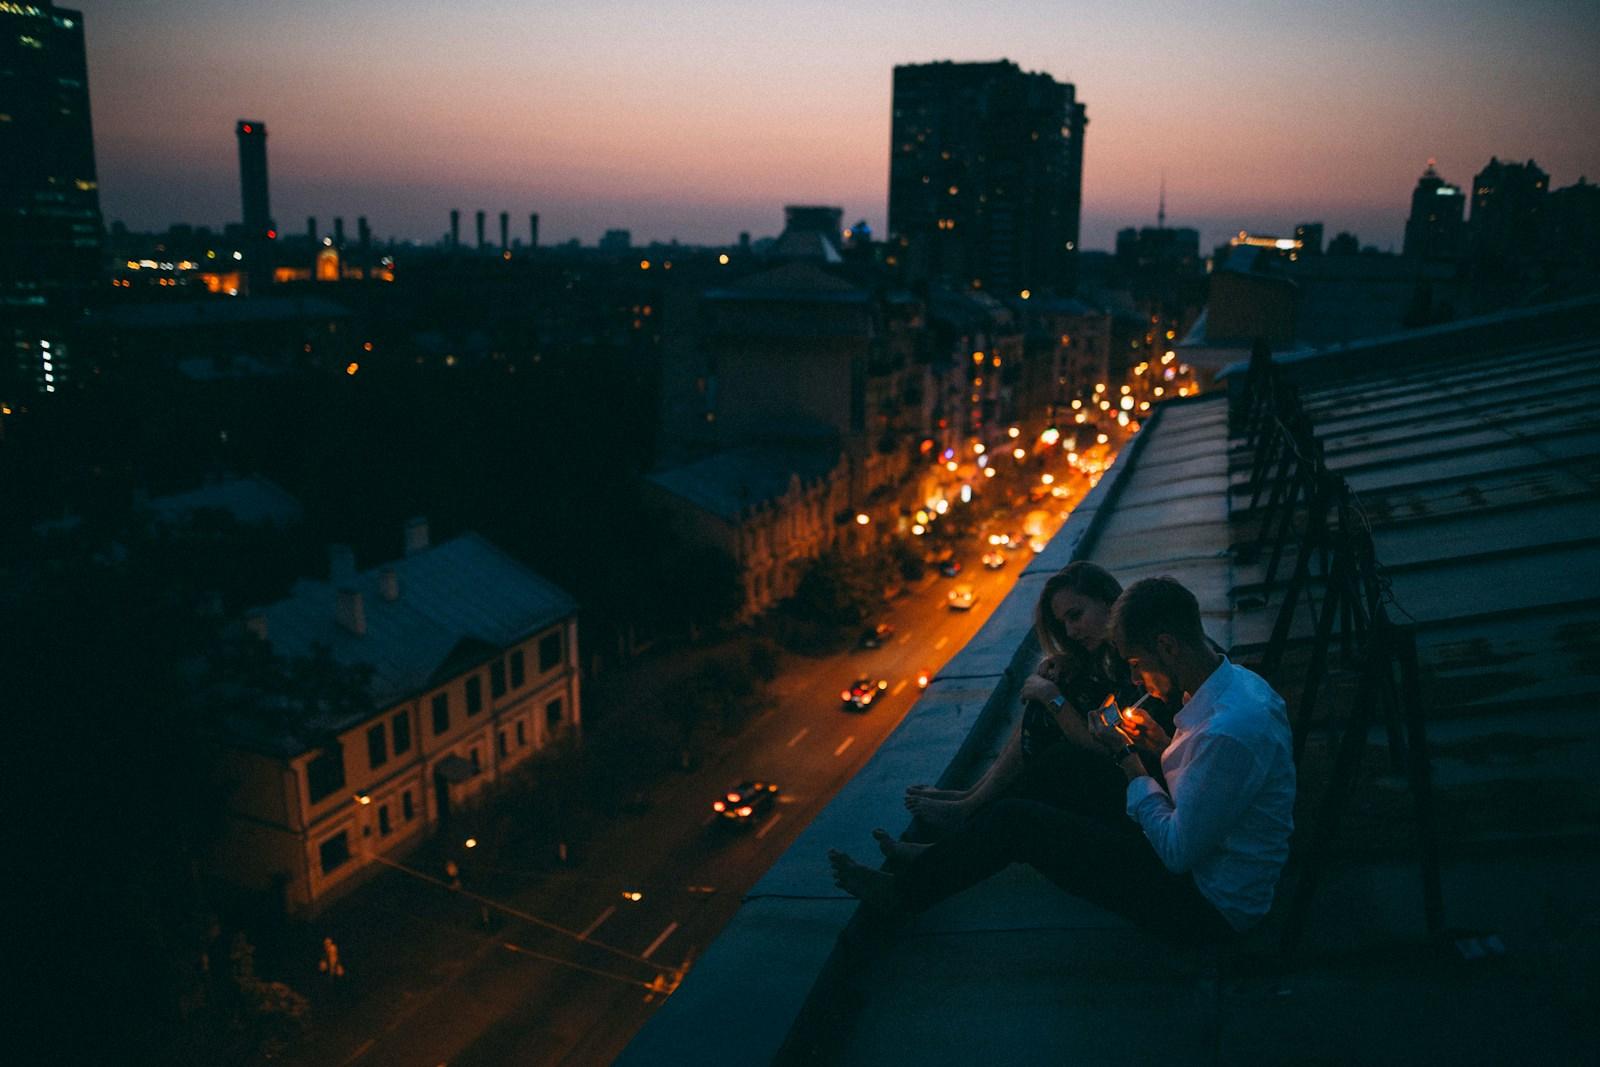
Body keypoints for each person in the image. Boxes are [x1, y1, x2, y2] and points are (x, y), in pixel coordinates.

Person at [832, 576, 1296, 944]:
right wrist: (1155, 747)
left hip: (1206, 904)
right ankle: (946, 855)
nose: (1134, 675)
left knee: (1022, 824)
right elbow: (1201, 785)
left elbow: (1177, 852)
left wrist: (1130, 761)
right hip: (1201, 853)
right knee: (1059, 766)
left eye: (1135, 662)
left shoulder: (1227, 733)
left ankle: (900, 896)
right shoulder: (1235, 686)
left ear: (1168, 646)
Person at [901, 561, 1168, 837]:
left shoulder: (1137, 659)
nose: (1070, 632)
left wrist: (1051, 696)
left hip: (1141, 783)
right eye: (1063, 624)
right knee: (1049, 701)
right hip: (1134, 773)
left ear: (1107, 600)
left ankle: (971, 809)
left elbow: (1106, 743)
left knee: (1048, 722)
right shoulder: (1108, 655)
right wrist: (1068, 667)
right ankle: (972, 796)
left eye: (1075, 615)